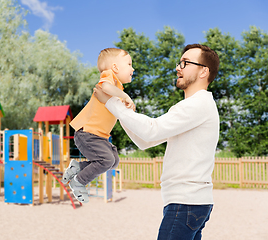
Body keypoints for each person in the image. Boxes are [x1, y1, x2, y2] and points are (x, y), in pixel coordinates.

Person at [94, 43, 220, 240]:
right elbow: (146, 140)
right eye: (180, 62)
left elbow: (150, 130)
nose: (178, 67)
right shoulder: (194, 107)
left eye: (186, 63)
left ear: (204, 71)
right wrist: (122, 112)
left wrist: (111, 102)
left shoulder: (197, 104)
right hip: (191, 203)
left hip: (185, 203)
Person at [62, 48, 135, 203]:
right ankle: (79, 181)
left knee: (114, 161)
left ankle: (78, 167)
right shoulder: (109, 76)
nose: (132, 68)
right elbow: (106, 88)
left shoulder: (118, 88)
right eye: (129, 64)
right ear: (115, 67)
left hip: (99, 137)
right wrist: (126, 96)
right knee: (107, 160)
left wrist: (126, 104)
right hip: (87, 133)